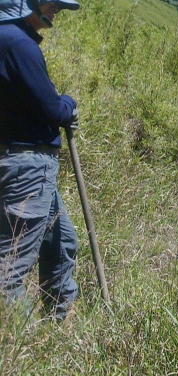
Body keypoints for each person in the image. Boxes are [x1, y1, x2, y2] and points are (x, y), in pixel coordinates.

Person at [0, 0, 81, 321]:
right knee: (9, 270)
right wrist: (69, 102)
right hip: (27, 167)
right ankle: (21, 343)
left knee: (62, 240)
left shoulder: (10, 39)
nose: (56, 10)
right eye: (51, 3)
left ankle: (59, 319)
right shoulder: (18, 44)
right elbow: (53, 109)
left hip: (23, 162)